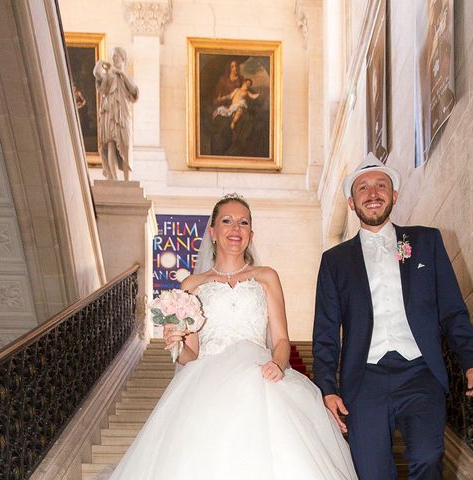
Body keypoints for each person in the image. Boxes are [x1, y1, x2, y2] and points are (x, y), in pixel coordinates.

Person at [107, 194, 358, 479]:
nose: (235, 229)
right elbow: (192, 355)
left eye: (243, 223)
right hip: (207, 382)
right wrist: (175, 343)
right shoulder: (192, 284)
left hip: (261, 375)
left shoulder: (266, 276)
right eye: (227, 221)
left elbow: (281, 340)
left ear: (251, 234)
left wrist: (277, 363)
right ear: (212, 232)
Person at [313, 153, 473, 480]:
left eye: (381, 185)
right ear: (352, 202)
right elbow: (325, 331)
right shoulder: (335, 261)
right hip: (363, 379)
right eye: (363, 187)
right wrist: (327, 387)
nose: (373, 192)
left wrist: (471, 359)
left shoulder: (426, 241)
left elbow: (452, 309)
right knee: (371, 472)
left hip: (420, 372)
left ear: (394, 195)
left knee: (428, 456)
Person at [93, 47, 138, 181]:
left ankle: (126, 180)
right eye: (112, 57)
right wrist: (100, 63)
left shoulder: (126, 78)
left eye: (116, 56)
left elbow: (134, 91)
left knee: (126, 144)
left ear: (123, 59)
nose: (113, 59)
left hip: (123, 114)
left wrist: (120, 73)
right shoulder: (108, 76)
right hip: (110, 113)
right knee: (110, 143)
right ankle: (114, 179)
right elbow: (97, 73)